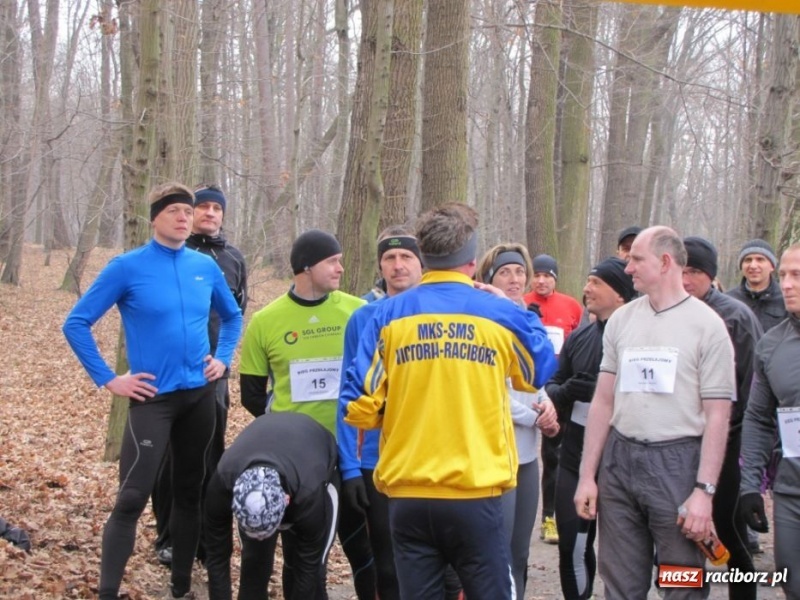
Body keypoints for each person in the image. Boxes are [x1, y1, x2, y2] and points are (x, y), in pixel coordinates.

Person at [341, 202, 558, 600]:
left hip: (408, 494)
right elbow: (538, 371)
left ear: (423, 257)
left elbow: (359, 405)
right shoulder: (500, 314)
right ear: (473, 261)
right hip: (476, 492)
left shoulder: (384, 316)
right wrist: (511, 308)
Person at [62, 182, 243, 600]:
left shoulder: (204, 267)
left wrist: (223, 358)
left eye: (188, 211)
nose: (184, 217)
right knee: (131, 498)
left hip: (199, 395)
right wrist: (109, 378)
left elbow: (232, 317)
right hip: (152, 400)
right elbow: (76, 323)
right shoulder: (127, 267)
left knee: (189, 492)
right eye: (174, 211)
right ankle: (107, 592)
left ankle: (181, 588)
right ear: (155, 218)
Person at [574, 226, 735, 599]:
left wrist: (704, 493)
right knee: (620, 582)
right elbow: (603, 401)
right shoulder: (623, 321)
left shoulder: (707, 327)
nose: (627, 268)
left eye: (636, 260)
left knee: (681, 582)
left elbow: (717, 416)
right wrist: (587, 476)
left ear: (665, 262)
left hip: (677, 465)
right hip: (620, 462)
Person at [238, 229, 375, 598]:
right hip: (296, 461)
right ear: (306, 266)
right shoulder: (266, 321)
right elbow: (251, 394)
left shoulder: (357, 311)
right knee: (302, 554)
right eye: (332, 261)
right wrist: (289, 429)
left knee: (364, 548)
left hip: (351, 450)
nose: (341, 268)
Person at [152, 183, 248, 567]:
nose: (209, 213)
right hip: (166, 378)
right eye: (202, 207)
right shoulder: (173, 252)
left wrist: (224, 360)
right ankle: (169, 537)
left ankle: (208, 541)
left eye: (215, 208)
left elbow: (236, 314)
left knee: (211, 457)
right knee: (168, 462)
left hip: (213, 377)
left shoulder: (233, 260)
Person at [338, 226, 424, 600]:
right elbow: (348, 393)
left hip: (429, 455)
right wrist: (350, 466)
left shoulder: (438, 312)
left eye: (406, 257)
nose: (398, 265)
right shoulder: (363, 318)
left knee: (432, 563)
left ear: (422, 265)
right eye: (389, 258)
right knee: (386, 564)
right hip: (376, 458)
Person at [545, 256, 635, 600]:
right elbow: (552, 386)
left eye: (597, 283)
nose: (586, 288)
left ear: (621, 295)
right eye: (587, 280)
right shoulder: (580, 336)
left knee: (623, 555)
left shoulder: (637, 339)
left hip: (622, 458)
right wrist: (569, 392)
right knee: (572, 545)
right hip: (575, 454)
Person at [476, 243, 560, 599]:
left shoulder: (528, 315)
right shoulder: (482, 319)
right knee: (494, 554)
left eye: (519, 272)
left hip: (527, 456)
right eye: (505, 273)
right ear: (490, 278)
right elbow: (487, 390)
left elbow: (535, 378)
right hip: (493, 454)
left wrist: (547, 404)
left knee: (519, 553)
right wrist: (534, 418)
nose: (514, 279)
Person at [682, 236, 762, 600]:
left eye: (695, 271)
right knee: (679, 533)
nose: (686, 279)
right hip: (679, 443)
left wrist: (731, 437)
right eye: (681, 269)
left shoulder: (735, 316)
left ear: (710, 275)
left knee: (728, 530)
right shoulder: (667, 313)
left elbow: (752, 388)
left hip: (729, 441)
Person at [204, 412, 339, 600]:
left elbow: (307, 567)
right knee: (254, 564)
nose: (260, 538)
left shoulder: (309, 493)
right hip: (273, 448)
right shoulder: (223, 481)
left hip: (315, 452)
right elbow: (217, 557)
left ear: (286, 500)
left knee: (313, 575)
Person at [739, 243, 800, 600]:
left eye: (797, 276)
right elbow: (759, 419)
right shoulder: (771, 345)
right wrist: (750, 486)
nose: (787, 284)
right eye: (786, 275)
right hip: (791, 494)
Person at [523, 253, 583, 544]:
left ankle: (550, 518)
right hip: (525, 388)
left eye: (547, 275)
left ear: (555, 279)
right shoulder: (522, 302)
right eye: (537, 275)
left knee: (553, 456)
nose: (542, 280)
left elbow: (580, 343)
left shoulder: (570, 305)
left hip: (558, 391)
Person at [726, 238, 787, 332]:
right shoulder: (729, 300)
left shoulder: (786, 299)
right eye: (748, 260)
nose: (753, 266)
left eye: (760, 259)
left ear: (772, 266)